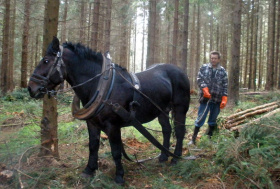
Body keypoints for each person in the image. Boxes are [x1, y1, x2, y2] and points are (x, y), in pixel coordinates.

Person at [188, 51, 228, 145]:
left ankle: (209, 139)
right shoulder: (204, 67)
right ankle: (193, 139)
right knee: (200, 117)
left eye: (215, 58)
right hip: (205, 99)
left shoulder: (223, 71)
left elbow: (225, 85)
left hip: (217, 99)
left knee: (213, 119)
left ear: (218, 59)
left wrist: (224, 97)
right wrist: (204, 88)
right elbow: (199, 79)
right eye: (212, 58)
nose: (213, 60)